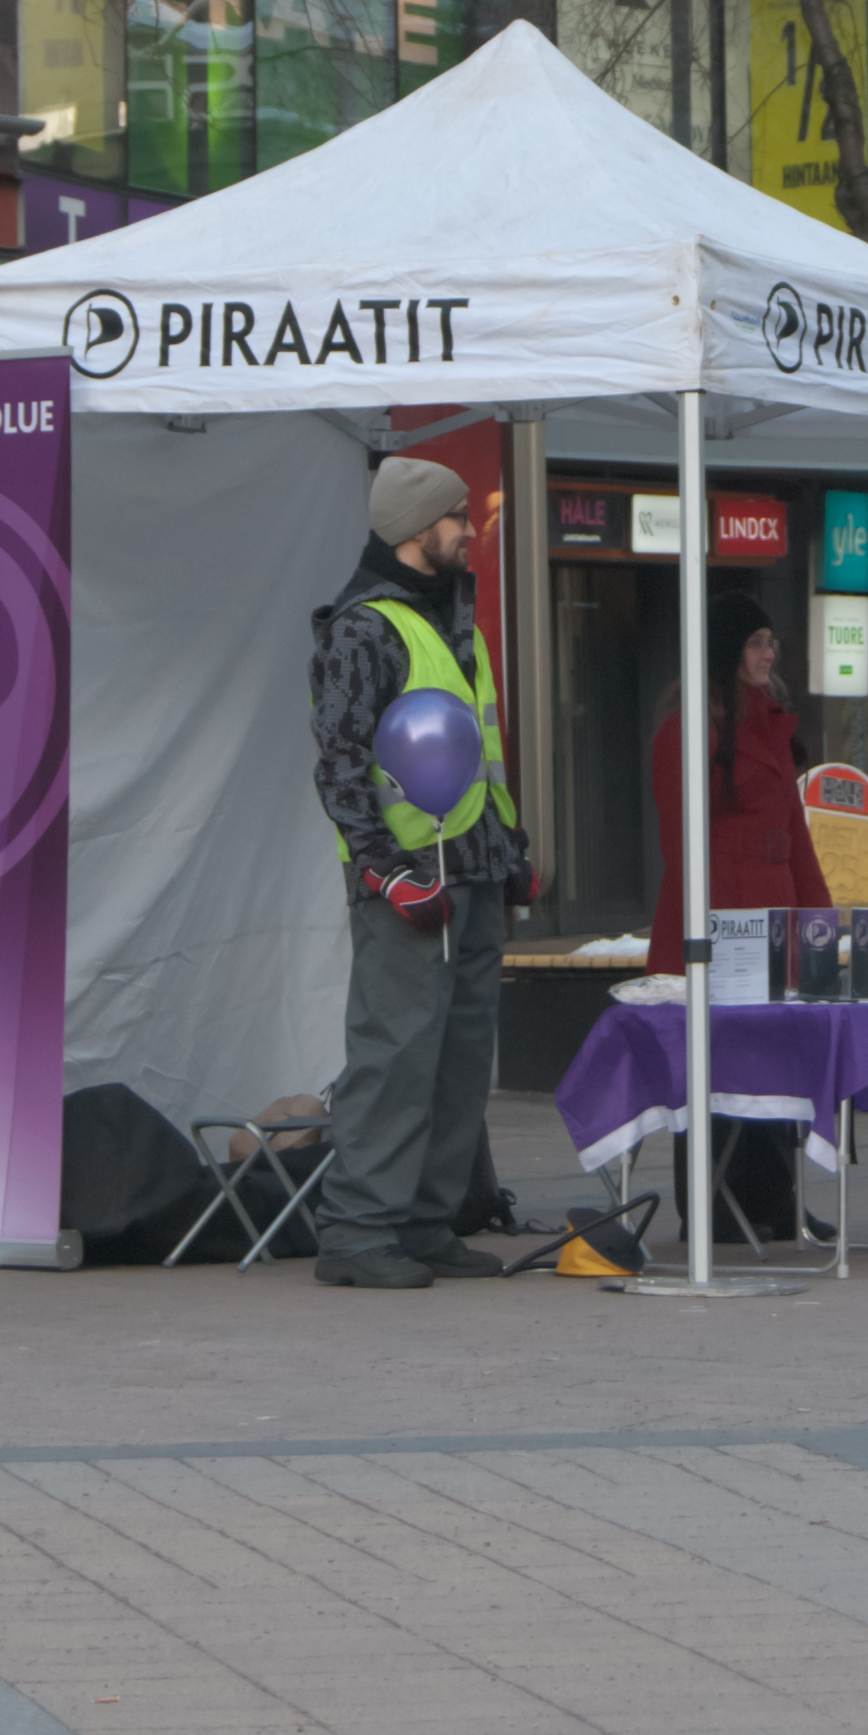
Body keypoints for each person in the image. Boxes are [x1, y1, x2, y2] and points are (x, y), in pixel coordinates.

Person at [307, 454, 535, 1287]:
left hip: (473, 868)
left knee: (460, 1061)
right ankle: (358, 1232)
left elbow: (480, 753)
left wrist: (509, 852)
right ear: (415, 528)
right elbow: (340, 763)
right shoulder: (363, 629)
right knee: (395, 1055)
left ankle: (425, 1222)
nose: (470, 531)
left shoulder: (448, 617)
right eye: (457, 518)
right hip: (409, 881)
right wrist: (382, 870)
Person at [646, 591, 834, 1240]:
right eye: (756, 641)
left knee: (775, 1058)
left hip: (772, 908)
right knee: (715, 1063)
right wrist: (712, 931)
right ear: (728, 651)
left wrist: (819, 922)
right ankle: (715, 1206)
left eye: (770, 641)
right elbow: (680, 845)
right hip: (719, 913)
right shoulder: (684, 732)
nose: (769, 652)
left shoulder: (768, 723)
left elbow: (796, 832)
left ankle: (776, 1200)